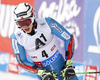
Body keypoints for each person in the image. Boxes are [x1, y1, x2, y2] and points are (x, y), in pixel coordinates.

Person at [10, 3, 78, 80]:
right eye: (20, 23)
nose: (25, 27)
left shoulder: (48, 23)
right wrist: (40, 71)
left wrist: (68, 63)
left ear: (32, 18)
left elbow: (68, 38)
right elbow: (22, 61)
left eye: (27, 22)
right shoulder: (16, 38)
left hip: (62, 68)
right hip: (45, 75)